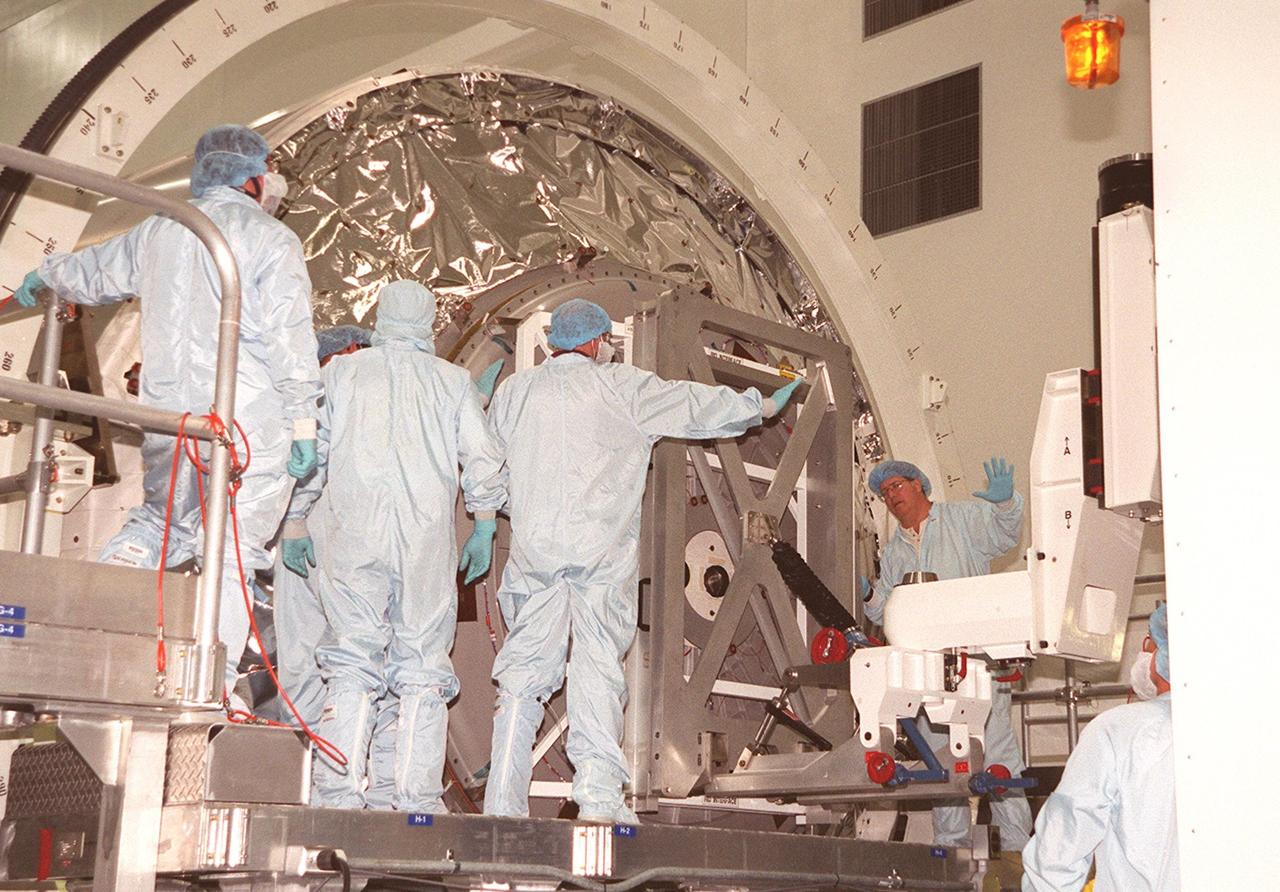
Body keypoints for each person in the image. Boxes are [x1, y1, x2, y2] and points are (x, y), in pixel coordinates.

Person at [15, 125, 321, 701]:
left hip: (171, 424)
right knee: (231, 552)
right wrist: (304, 420)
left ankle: (85, 636)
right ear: (254, 176)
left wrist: (44, 277)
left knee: (159, 526)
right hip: (244, 425)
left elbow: (93, 271)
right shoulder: (270, 239)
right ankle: (214, 686)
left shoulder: (161, 227)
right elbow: (290, 339)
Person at [482, 297, 802, 824]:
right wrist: (759, 407)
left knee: (520, 677)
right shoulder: (620, 387)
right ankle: (600, 801)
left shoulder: (515, 393)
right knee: (598, 672)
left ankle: (501, 804)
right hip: (599, 557)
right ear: (592, 342)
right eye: (605, 339)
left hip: (535, 556)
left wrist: (509, 513)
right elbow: (693, 406)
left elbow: (488, 467)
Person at [282, 279, 504, 812]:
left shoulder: (341, 374)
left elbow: (311, 453)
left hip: (353, 537)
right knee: (423, 665)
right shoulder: (452, 382)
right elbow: (482, 457)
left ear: (380, 319)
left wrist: (293, 520)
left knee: (352, 660)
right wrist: (484, 522)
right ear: (426, 321)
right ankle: (410, 797)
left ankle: (337, 794)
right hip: (425, 544)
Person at [865, 457, 1032, 852]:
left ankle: (1017, 853)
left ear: (919, 485)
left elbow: (1005, 535)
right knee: (941, 764)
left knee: (996, 752)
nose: (892, 497)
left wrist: (1007, 504)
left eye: (897, 486)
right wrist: (869, 594)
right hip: (927, 674)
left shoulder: (961, 520)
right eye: (885, 493)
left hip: (975, 663)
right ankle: (952, 854)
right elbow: (884, 611)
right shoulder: (894, 552)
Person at [1022, 604, 1178, 891]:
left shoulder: (1119, 731)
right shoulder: (1248, 732)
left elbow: (1060, 852)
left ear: (1162, 657)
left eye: (1151, 645)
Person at [273, 325, 372, 728]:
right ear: (349, 349)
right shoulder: (343, 395)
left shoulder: (305, 402)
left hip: (304, 533)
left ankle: (311, 763)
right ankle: (326, 765)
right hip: (326, 534)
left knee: (305, 649)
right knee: (344, 651)